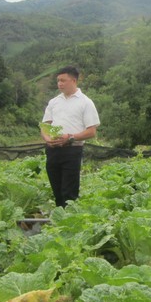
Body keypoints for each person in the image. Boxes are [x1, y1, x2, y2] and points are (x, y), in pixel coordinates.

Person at [41, 66, 100, 207]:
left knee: (69, 192)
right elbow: (44, 126)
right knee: (56, 190)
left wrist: (70, 137)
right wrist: (48, 139)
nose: (59, 84)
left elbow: (91, 131)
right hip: (53, 150)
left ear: (73, 80)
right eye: (58, 81)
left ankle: (69, 222)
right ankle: (58, 220)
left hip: (72, 150)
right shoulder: (54, 102)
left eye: (63, 80)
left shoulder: (85, 102)